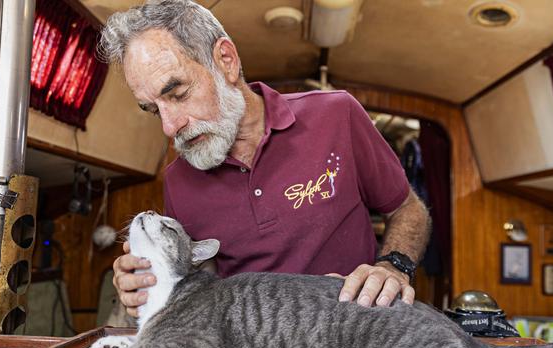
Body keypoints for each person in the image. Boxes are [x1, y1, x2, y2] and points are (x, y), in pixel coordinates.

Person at [101, 0, 431, 318]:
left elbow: (408, 209)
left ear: (226, 60)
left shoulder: (336, 114)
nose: (170, 126)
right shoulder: (178, 181)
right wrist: (142, 283)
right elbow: (191, 283)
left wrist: (392, 266)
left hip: (352, 335)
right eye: (153, 109)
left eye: (178, 94)